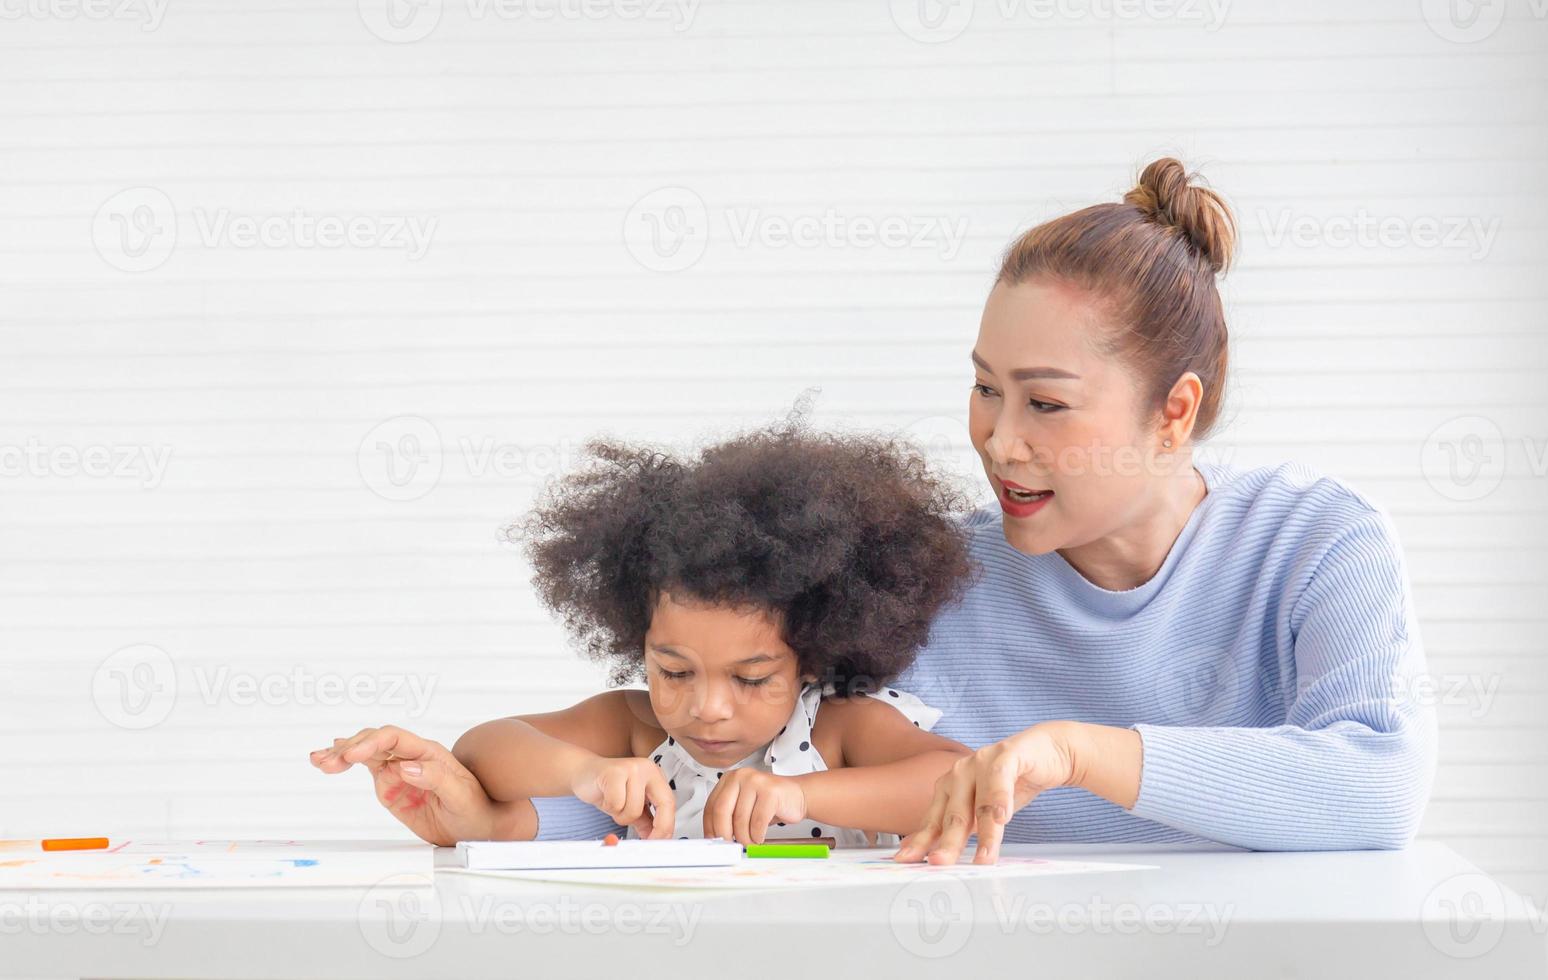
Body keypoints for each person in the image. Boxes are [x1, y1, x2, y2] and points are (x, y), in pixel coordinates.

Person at [493, 157, 1438, 863]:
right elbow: (722, 780)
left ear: (1175, 412)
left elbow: (1377, 790)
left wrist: (1075, 753)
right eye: (986, 389)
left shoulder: (1316, 542)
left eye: (1047, 403)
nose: (999, 440)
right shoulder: (924, 578)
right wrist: (496, 817)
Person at [310, 421, 976, 846]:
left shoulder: (837, 728)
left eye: (751, 678)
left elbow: (954, 779)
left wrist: (802, 793)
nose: (706, 707)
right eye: (675, 671)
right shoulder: (638, 730)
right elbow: (484, 750)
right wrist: (586, 774)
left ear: (812, 657)